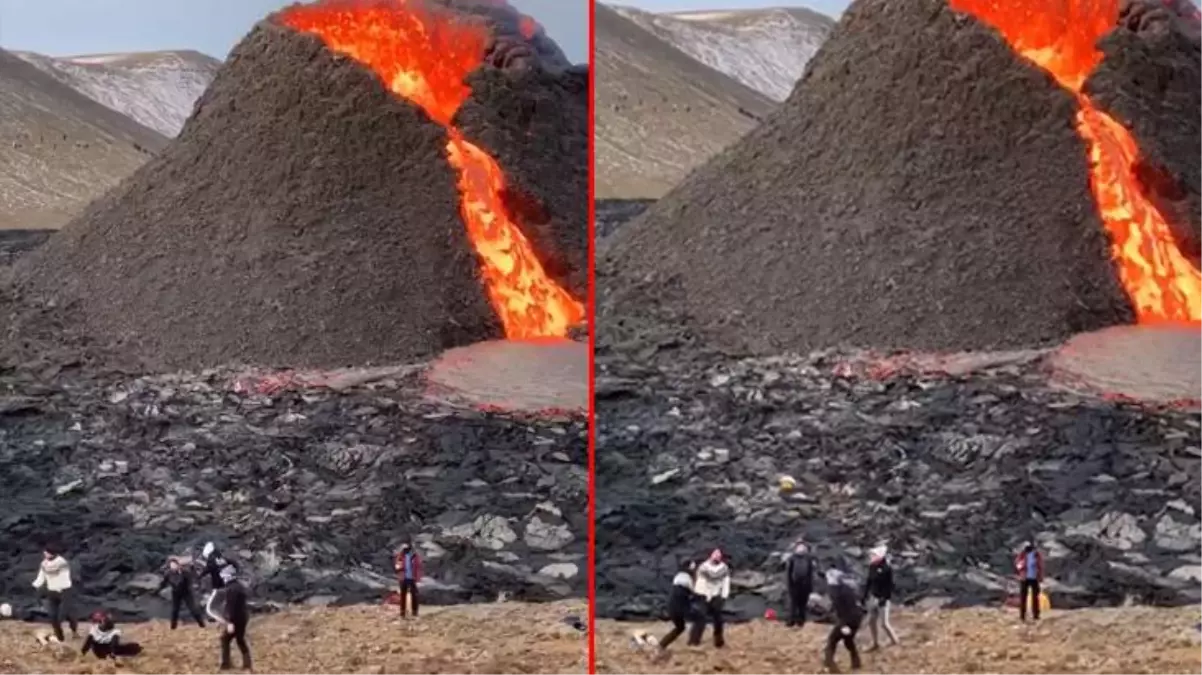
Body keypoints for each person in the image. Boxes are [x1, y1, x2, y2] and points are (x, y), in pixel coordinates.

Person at [32, 545, 77, 642]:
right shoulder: (44, 563)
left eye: (46, 552)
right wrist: (35, 585)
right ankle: (60, 637)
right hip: (52, 592)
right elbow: (41, 576)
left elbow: (64, 577)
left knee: (65, 615)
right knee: (53, 616)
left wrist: (59, 586)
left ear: (51, 552)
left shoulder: (62, 562)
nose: (44, 553)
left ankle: (74, 631)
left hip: (64, 591)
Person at [688, 549, 730, 648]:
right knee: (700, 618)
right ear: (711, 555)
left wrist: (724, 595)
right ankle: (693, 641)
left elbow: (725, 582)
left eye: (719, 555)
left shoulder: (724, 568)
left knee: (718, 619)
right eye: (715, 554)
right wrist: (704, 595)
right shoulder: (704, 567)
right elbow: (701, 582)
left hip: (716, 595)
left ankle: (719, 642)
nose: (717, 556)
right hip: (703, 594)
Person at [207, 578, 252, 671]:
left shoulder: (231, 589)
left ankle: (226, 664)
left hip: (236, 619)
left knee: (225, 639)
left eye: (224, 577)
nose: (223, 579)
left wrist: (230, 622)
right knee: (240, 639)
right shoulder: (240, 586)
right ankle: (247, 664)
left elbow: (231, 607)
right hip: (243, 617)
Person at [824, 569, 864, 671]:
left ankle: (830, 665)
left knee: (832, 640)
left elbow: (841, 610)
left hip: (848, 620)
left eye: (829, 577)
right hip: (857, 618)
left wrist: (843, 625)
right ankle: (856, 663)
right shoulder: (847, 588)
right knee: (848, 640)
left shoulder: (836, 591)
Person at [862, 545, 899, 649]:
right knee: (871, 621)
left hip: (883, 599)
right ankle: (875, 643)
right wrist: (864, 596)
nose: (871, 557)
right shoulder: (872, 566)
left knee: (884, 623)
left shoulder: (887, 568)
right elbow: (869, 582)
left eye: (874, 555)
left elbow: (890, 586)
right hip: (874, 597)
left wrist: (885, 598)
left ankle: (894, 640)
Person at [658, 559, 697, 654]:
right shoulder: (686, 578)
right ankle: (694, 641)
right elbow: (694, 591)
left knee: (680, 627)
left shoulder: (678, 577)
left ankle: (662, 644)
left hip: (673, 606)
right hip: (680, 608)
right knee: (699, 618)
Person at [158, 557, 206, 629]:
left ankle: (202, 625)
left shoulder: (184, 572)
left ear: (178, 565)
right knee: (175, 610)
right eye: (171, 565)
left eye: (174, 565)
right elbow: (163, 583)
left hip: (186, 592)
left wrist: (192, 568)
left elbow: (193, 577)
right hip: (176, 593)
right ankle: (173, 627)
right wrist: (158, 589)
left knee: (193, 609)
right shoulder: (168, 573)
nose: (173, 566)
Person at [785, 541, 814, 628]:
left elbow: (810, 573)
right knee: (794, 603)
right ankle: (792, 620)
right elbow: (788, 573)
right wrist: (789, 585)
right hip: (794, 584)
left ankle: (800, 621)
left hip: (804, 584)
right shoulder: (792, 559)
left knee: (802, 604)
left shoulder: (808, 559)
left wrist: (810, 586)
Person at [1014, 541, 1044, 622]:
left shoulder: (1037, 555)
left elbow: (1040, 566)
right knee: (1023, 597)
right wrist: (1022, 566)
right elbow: (1017, 564)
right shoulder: (1023, 555)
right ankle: (1022, 615)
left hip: (1034, 578)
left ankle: (1036, 615)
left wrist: (1040, 576)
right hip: (1024, 578)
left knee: (1035, 597)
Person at [393, 543, 422, 619]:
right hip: (403, 578)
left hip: (412, 578)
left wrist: (418, 578)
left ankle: (415, 612)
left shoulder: (415, 556)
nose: (405, 550)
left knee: (414, 595)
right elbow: (397, 566)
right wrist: (400, 568)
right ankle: (402, 613)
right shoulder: (400, 556)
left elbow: (418, 567)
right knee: (403, 595)